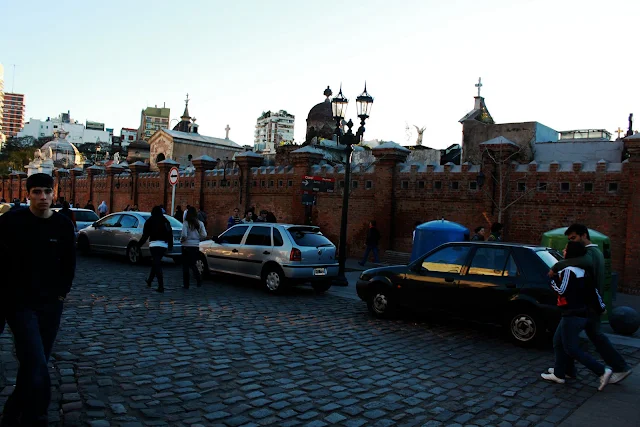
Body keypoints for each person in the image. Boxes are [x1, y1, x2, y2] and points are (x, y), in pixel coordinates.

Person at [0, 173, 76, 426]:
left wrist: (61, 293)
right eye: (36, 192)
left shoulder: (63, 225)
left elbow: (69, 263)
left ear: (54, 193)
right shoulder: (11, 221)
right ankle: (38, 415)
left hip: (50, 304)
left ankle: (12, 410)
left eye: (47, 192)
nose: (42, 197)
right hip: (19, 304)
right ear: (28, 194)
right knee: (35, 359)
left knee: (36, 360)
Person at [548, 224, 632, 384]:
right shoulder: (593, 253)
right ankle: (566, 369)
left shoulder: (591, 253)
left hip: (587, 305)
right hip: (589, 304)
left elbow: (575, 263)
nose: (572, 242)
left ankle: (617, 367)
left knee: (589, 338)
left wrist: (556, 267)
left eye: (573, 238)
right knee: (569, 338)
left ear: (584, 235)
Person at [541, 241, 612, 391]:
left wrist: (551, 279)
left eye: (566, 249)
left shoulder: (569, 271)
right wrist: (602, 307)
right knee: (558, 341)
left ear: (571, 253)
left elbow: (562, 291)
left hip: (572, 314)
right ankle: (562, 372)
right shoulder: (584, 271)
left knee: (571, 348)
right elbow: (594, 293)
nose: (563, 250)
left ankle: (601, 370)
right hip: (581, 313)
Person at [138, 206, 173, 293]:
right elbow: (170, 233)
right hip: (163, 245)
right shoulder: (165, 221)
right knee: (156, 262)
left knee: (157, 264)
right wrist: (170, 245)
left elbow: (145, 235)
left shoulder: (149, 221)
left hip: (154, 244)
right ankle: (149, 280)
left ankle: (161, 286)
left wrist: (139, 245)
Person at [180, 207, 207, 289]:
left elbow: (184, 235)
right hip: (195, 245)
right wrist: (198, 238)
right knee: (193, 264)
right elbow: (204, 235)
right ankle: (198, 280)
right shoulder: (200, 223)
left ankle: (186, 285)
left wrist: (182, 240)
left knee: (185, 266)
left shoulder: (186, 223)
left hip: (186, 245)